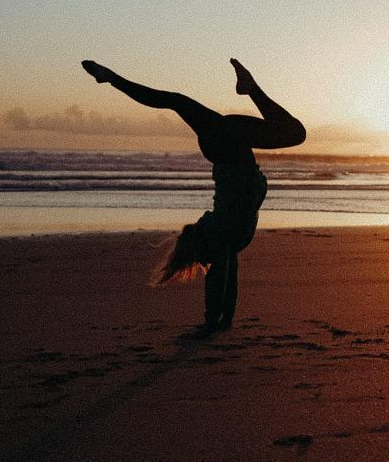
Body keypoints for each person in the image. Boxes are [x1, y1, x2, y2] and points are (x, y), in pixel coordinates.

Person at [81, 57, 305, 339]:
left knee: (178, 101)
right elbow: (223, 277)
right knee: (179, 101)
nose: (197, 224)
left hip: (228, 148)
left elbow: (221, 278)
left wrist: (215, 321)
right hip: (226, 148)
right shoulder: (225, 238)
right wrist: (219, 321)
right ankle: (113, 78)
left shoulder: (226, 234)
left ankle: (112, 78)